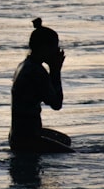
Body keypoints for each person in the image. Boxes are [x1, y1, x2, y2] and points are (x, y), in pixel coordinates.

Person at [8, 18, 74, 153]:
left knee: (65, 141)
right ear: (45, 48)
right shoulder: (36, 72)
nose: (57, 51)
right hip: (28, 139)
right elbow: (56, 104)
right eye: (55, 47)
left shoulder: (26, 65)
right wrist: (55, 71)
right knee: (70, 154)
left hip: (18, 135)